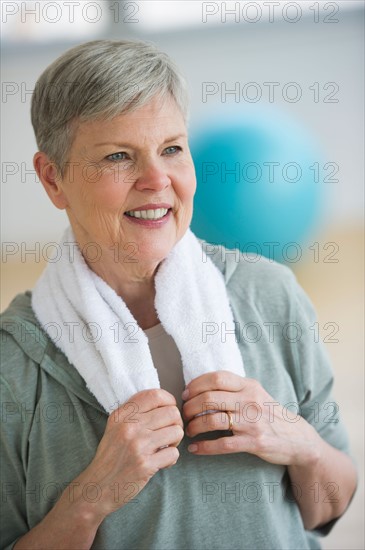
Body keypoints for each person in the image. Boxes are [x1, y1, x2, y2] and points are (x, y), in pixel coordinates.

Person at [0, 39, 357, 550]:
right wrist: (93, 496)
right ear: (52, 178)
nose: (156, 180)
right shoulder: (14, 363)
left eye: (171, 148)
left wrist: (299, 444)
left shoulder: (270, 295)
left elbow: (331, 506)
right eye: (119, 156)